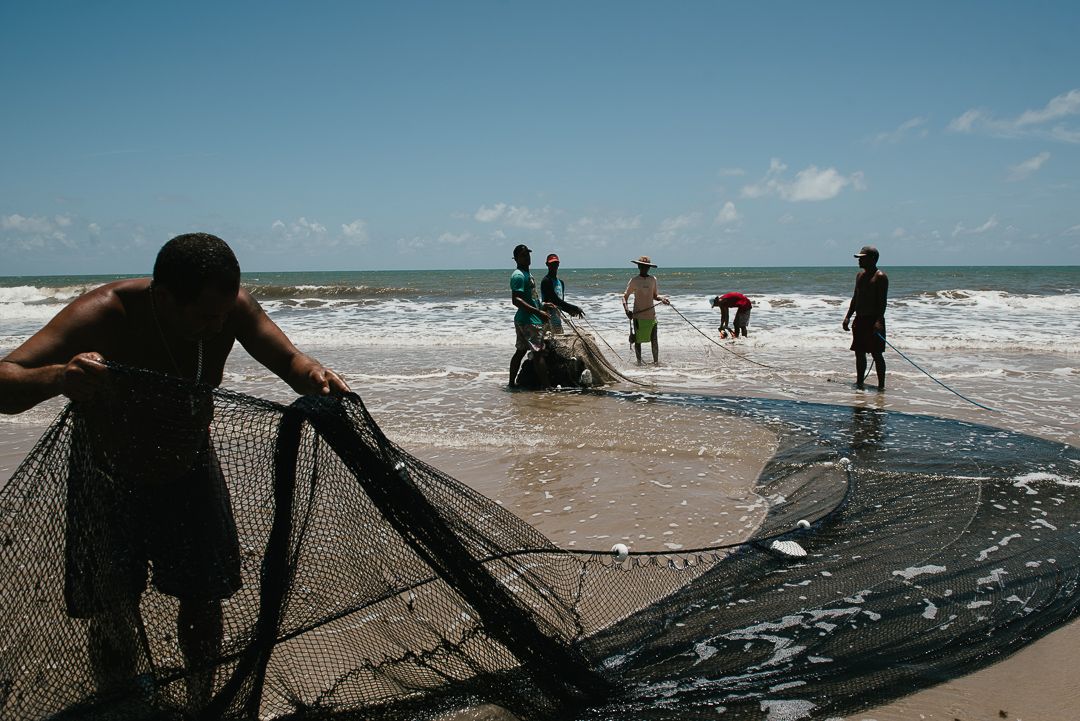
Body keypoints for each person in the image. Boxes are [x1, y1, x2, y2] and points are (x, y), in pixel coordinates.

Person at [0, 232, 350, 710]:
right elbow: (6, 380)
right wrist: (61, 376)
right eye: (206, 316)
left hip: (190, 469)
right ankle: (120, 703)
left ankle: (200, 701)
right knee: (111, 612)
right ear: (163, 297)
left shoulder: (229, 309)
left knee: (204, 600)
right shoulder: (103, 313)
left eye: (224, 314)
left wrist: (315, 375)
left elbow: (289, 360)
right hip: (106, 477)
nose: (218, 324)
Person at [842, 245, 888, 390]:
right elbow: (855, 298)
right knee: (859, 353)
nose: (859, 261)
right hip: (859, 320)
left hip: (874, 320)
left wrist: (878, 322)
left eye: (862, 258)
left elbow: (882, 302)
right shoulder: (859, 276)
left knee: (876, 354)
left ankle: (881, 386)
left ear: (873, 259)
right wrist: (848, 316)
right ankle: (860, 382)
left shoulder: (880, 277)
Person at [508, 244, 551, 386]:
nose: (527, 257)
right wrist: (538, 312)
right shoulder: (519, 275)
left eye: (528, 254)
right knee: (538, 353)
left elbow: (530, 297)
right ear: (516, 259)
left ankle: (511, 384)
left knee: (520, 351)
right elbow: (516, 300)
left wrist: (542, 306)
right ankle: (546, 388)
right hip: (529, 321)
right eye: (523, 255)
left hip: (525, 319)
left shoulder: (528, 274)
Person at [622, 255, 670, 364]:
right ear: (638, 266)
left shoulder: (653, 279)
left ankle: (656, 363)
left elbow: (655, 296)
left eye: (646, 266)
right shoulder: (634, 280)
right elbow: (624, 297)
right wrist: (627, 310)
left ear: (649, 268)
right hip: (638, 317)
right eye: (642, 266)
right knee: (638, 341)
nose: (644, 268)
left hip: (651, 316)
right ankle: (639, 363)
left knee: (654, 341)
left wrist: (662, 299)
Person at [539, 253, 584, 335]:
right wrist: (575, 308)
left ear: (558, 264)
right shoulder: (546, 281)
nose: (554, 266)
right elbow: (555, 300)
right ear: (547, 265)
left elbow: (560, 304)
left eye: (555, 263)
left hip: (557, 321)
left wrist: (569, 311)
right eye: (551, 264)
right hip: (547, 322)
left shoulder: (561, 283)